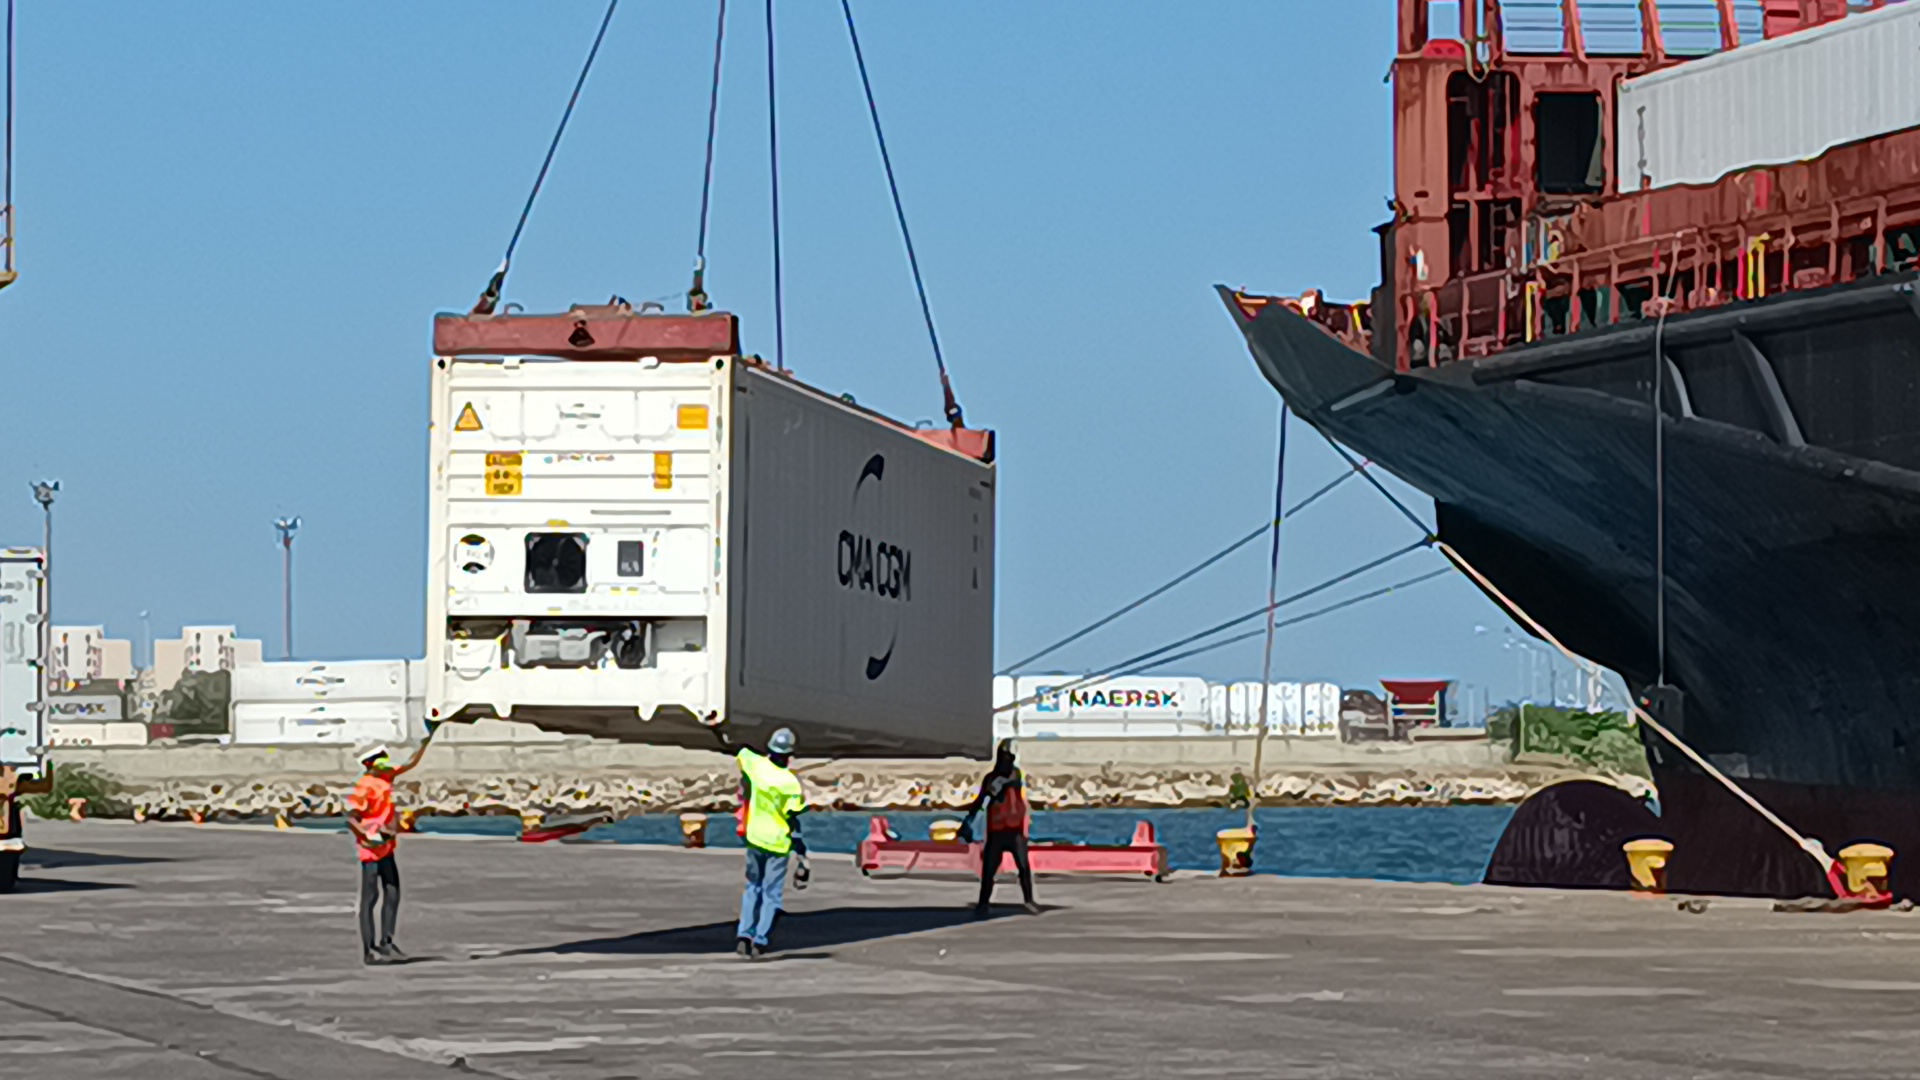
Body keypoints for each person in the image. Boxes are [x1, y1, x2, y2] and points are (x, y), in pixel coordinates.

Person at [347, 736, 432, 965]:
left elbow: (410, 763)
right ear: (369, 763)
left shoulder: (386, 778)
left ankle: (387, 942)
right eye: (379, 758)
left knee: (392, 893)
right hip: (371, 850)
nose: (384, 761)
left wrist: (427, 740)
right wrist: (365, 836)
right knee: (370, 897)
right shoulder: (365, 785)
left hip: (386, 847)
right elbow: (351, 817)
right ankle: (369, 949)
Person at [733, 727, 807, 959]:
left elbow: (739, 750)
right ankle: (760, 940)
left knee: (752, 888)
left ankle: (744, 934)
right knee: (771, 894)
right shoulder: (790, 783)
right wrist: (802, 853)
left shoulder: (756, 767)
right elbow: (793, 815)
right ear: (789, 755)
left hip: (755, 837)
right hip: (778, 843)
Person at [960, 739, 1038, 917]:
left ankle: (1028, 900)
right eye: (1005, 757)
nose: (1007, 761)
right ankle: (983, 903)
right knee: (989, 870)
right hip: (997, 829)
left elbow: (1004, 783)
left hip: (1014, 829)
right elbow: (981, 800)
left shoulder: (1014, 775)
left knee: (1023, 868)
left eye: (1009, 757)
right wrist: (968, 820)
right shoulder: (993, 778)